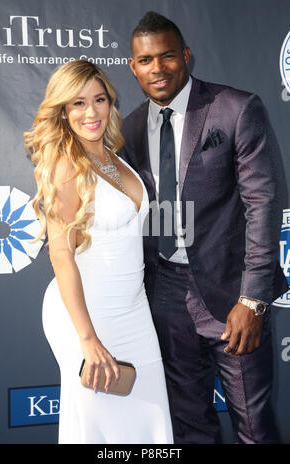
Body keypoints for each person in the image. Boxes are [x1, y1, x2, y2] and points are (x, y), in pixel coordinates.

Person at [120, 11, 289, 444]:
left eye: (167, 56)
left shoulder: (235, 108)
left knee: (253, 424)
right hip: (165, 295)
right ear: (133, 66)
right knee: (189, 424)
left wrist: (252, 299)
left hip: (233, 291)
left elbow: (264, 205)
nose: (157, 68)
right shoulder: (131, 128)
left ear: (186, 56)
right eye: (145, 60)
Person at [24, 59, 173, 444]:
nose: (91, 112)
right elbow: (61, 257)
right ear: (63, 110)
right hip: (85, 314)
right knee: (99, 429)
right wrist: (88, 339)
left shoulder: (113, 157)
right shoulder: (65, 167)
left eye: (99, 99)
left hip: (134, 312)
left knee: (150, 424)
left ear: (111, 102)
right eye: (78, 103)